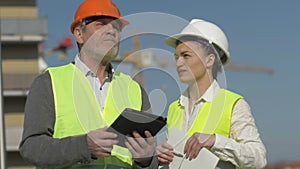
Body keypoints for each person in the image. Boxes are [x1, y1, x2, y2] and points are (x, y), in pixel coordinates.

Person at [19, 0, 156, 168]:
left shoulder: (135, 90)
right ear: (79, 34)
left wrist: (146, 160)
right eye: (101, 25)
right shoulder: (49, 82)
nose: (112, 31)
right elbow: (31, 148)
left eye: (117, 27)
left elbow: (149, 161)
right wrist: (84, 147)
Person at [156, 19, 267, 168]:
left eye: (186, 55)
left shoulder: (233, 104)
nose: (178, 63)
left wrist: (216, 141)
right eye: (177, 57)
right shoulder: (174, 108)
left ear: (209, 60)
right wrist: (162, 158)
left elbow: (258, 158)